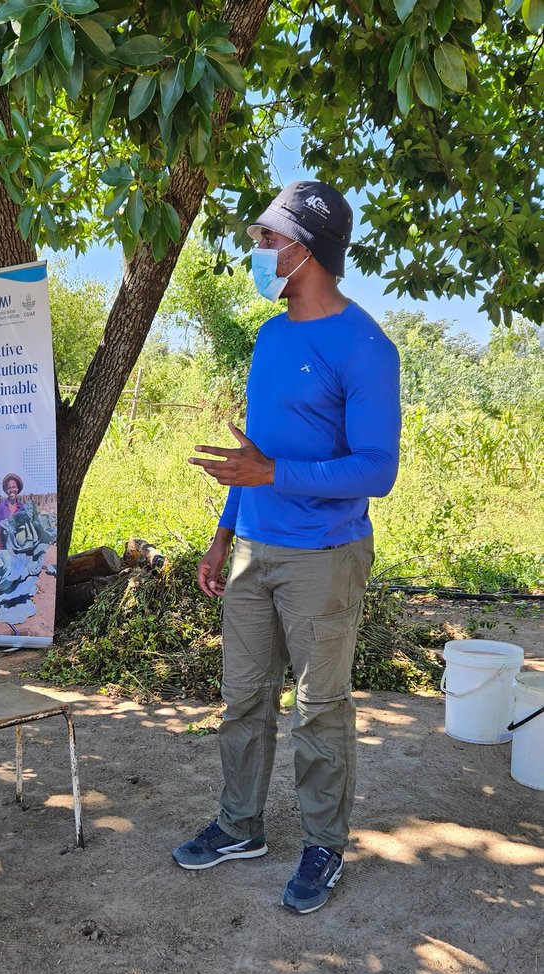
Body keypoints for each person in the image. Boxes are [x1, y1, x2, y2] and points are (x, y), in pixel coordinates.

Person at [172, 180, 401, 914]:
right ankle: (240, 826)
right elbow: (254, 452)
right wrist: (223, 533)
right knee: (242, 701)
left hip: (324, 559)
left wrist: (276, 473)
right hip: (253, 554)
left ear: (305, 248)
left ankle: (323, 845)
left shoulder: (366, 347)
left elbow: (377, 468)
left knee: (319, 708)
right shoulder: (272, 338)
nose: (259, 249)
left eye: (269, 239)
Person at [0, 473, 24, 549]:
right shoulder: (1, 506)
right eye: (9, 488)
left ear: (17, 489)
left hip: (18, 547)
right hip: (4, 546)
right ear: (6, 490)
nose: (12, 490)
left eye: (14, 487)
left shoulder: (22, 507)